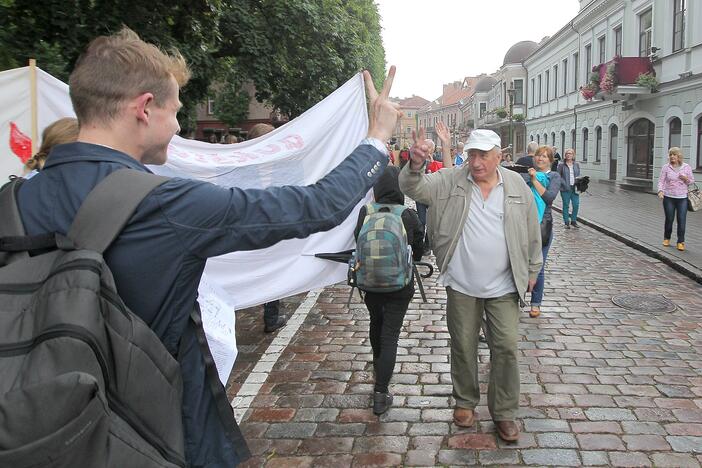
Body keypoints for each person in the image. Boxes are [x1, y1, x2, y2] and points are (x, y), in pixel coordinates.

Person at [16, 28, 402, 467]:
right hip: (149, 433)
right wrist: (376, 137)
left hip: (36, 427)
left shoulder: (12, 200)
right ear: (144, 108)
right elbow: (318, 205)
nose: (178, 126)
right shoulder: (165, 204)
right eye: (175, 111)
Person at [399, 128, 542, 442]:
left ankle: (504, 413)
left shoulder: (516, 184)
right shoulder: (452, 178)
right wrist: (415, 164)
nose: (475, 162)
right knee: (462, 344)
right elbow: (415, 188)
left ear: (498, 156)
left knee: (505, 347)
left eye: (483, 155)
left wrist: (533, 268)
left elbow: (532, 229)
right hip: (462, 282)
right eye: (472, 154)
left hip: (504, 285)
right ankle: (465, 402)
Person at [353, 165, 424, 415]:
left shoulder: (366, 212)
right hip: (399, 285)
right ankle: (381, 393)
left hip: (369, 282)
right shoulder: (408, 215)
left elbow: (356, 240)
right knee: (390, 335)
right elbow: (419, 250)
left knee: (376, 323)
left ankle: (378, 365)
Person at [525, 146, 561, 318]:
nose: (540, 159)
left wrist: (534, 180)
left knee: (538, 267)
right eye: (538, 156)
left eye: (545, 157)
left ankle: (535, 303)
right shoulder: (526, 174)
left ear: (550, 160)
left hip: (542, 226)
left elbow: (549, 198)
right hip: (523, 224)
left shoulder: (553, 176)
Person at [657, 147, 695, 251]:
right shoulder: (666, 167)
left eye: (674, 154)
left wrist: (686, 179)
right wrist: (660, 191)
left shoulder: (686, 167)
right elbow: (661, 181)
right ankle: (667, 238)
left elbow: (691, 181)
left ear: (679, 156)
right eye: (670, 155)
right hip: (669, 197)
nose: (672, 157)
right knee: (669, 219)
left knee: (681, 220)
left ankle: (680, 241)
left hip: (682, 198)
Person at [557, 148, 581, 229]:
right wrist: (563, 183)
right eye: (567, 153)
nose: (568, 155)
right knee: (566, 205)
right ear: (565, 155)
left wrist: (581, 183)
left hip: (575, 188)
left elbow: (578, 175)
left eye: (570, 153)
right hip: (565, 189)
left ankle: (573, 220)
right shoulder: (561, 165)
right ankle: (566, 222)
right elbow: (558, 176)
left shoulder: (576, 165)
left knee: (576, 204)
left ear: (573, 155)